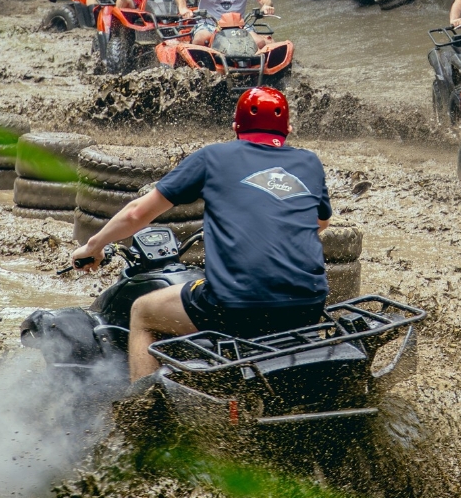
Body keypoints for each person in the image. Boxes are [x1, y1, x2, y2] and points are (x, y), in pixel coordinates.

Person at [69, 86, 332, 382]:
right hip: (308, 304)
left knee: (142, 311)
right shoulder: (310, 163)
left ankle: (141, 414)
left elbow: (136, 213)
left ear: (236, 127)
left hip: (236, 304)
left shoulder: (213, 157)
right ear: (289, 130)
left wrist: (93, 246)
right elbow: (319, 223)